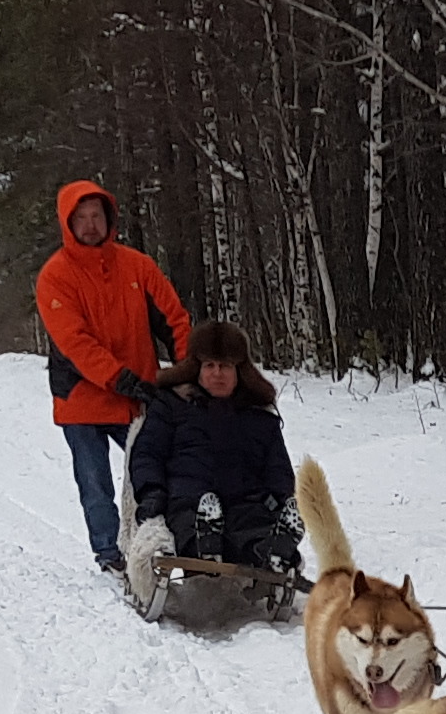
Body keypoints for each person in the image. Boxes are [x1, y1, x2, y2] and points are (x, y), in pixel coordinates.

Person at [33, 178, 189, 575]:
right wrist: (121, 378)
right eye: (81, 218)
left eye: (96, 216)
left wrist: (186, 371)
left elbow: (174, 320)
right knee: (96, 484)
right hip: (82, 400)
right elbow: (75, 343)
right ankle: (108, 554)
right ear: (68, 223)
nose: (89, 225)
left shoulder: (138, 266)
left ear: (109, 219)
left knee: (154, 472)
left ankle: (162, 542)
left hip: (136, 396)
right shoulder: (55, 277)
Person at [123, 319, 304, 597]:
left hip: (244, 502)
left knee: (254, 526)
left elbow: (277, 467)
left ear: (239, 371)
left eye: (225, 366)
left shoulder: (258, 416)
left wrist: (284, 500)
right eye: (210, 366)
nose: (217, 374)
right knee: (188, 521)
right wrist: (152, 495)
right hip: (187, 497)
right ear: (197, 369)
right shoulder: (171, 406)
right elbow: (147, 455)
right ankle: (202, 541)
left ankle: (272, 552)